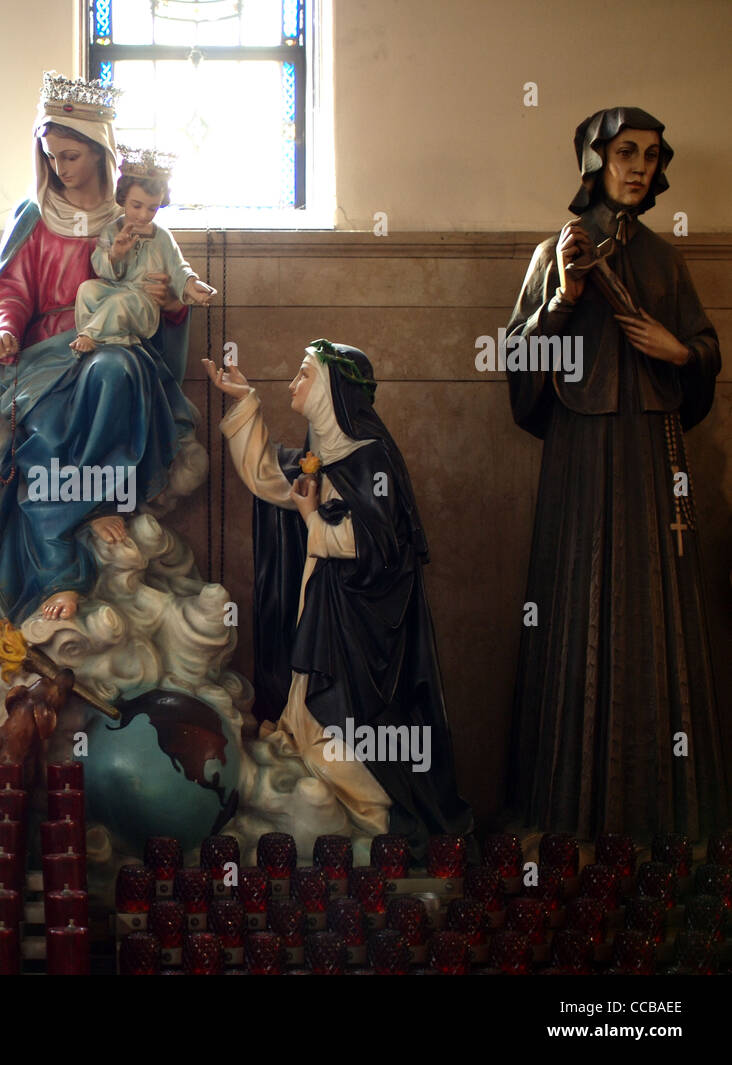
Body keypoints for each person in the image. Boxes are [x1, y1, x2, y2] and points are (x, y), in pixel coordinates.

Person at [505, 107, 725, 841]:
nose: (638, 166)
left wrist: (680, 352)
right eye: (624, 152)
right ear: (593, 162)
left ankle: (666, 822)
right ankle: (563, 817)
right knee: (575, 608)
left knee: (656, 616)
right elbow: (519, 369)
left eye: (652, 155)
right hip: (580, 457)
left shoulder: (667, 262)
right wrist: (565, 298)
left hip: (653, 455)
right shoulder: (556, 252)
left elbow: (702, 350)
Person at [204, 341, 474, 858]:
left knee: (339, 727)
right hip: (323, 621)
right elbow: (267, 477)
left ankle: (371, 820)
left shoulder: (372, 459)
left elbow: (378, 545)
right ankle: (329, 818)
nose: (294, 384)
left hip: (363, 635)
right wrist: (244, 401)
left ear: (333, 389)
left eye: (305, 374)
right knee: (306, 719)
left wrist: (310, 519)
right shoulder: (321, 460)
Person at [0, 72, 200, 622]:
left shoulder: (136, 224)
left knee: (114, 371)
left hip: (112, 340)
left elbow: (165, 302)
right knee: (45, 433)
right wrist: (5, 328)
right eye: (51, 157)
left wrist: (170, 300)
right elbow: (12, 289)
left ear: (101, 152)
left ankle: (98, 499)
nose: (60, 168)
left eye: (71, 155)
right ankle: (60, 573)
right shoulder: (33, 217)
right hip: (44, 352)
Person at [71, 148, 214, 354]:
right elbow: (100, 266)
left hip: (143, 302)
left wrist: (192, 285)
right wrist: (115, 255)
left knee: (121, 301)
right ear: (123, 198)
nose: (143, 215)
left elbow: (178, 268)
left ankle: (90, 336)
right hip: (116, 290)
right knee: (88, 289)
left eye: (152, 208)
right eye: (136, 205)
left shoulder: (162, 237)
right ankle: (108, 335)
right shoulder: (112, 230)